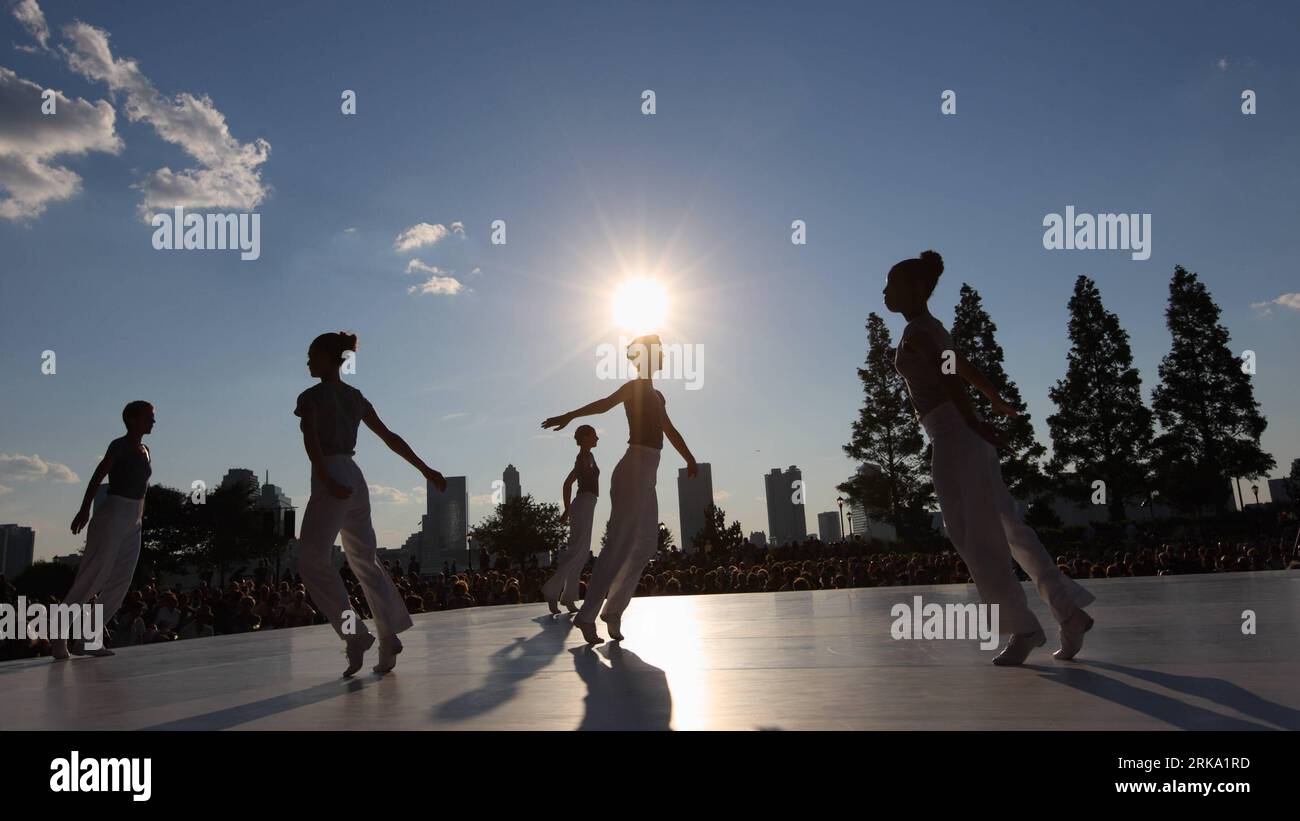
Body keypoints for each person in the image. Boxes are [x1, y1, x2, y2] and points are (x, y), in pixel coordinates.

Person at [883, 250, 1095, 665]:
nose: (884, 292)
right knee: (1007, 528)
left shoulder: (920, 332)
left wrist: (974, 420)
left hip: (954, 434)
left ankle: (1024, 627)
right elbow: (961, 367)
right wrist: (991, 399)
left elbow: (948, 378)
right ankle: (1067, 612)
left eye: (891, 283)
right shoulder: (928, 328)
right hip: (961, 432)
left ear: (915, 288)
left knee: (974, 537)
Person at [295, 331, 448, 676]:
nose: (307, 361)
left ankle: (354, 634)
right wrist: (425, 468)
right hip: (354, 476)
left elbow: (312, 443)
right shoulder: (355, 397)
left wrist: (328, 480)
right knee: (365, 560)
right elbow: (390, 437)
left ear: (328, 358)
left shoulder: (311, 397)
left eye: (312, 355)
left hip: (332, 475)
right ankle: (387, 635)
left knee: (311, 559)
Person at [542, 334, 699, 644]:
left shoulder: (658, 395)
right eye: (660, 351)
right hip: (633, 469)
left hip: (648, 472)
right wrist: (570, 415)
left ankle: (613, 610)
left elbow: (669, 429)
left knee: (645, 545)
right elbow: (603, 405)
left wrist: (690, 457)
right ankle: (587, 616)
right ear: (648, 357)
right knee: (619, 545)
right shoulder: (634, 387)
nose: (664, 355)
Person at [52, 400, 156, 660]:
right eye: (148, 417)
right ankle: (59, 633)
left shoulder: (146, 449)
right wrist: (84, 509)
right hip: (113, 514)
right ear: (132, 419)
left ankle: (89, 639)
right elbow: (98, 476)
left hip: (135, 517)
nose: (153, 421)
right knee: (94, 577)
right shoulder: (119, 445)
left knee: (121, 580)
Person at [541, 424, 601, 614]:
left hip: (587, 504)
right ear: (584, 438)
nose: (597, 438)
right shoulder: (583, 457)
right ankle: (552, 592)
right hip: (583, 503)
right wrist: (567, 509)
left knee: (581, 554)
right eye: (593, 435)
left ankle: (568, 596)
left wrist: (568, 510)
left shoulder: (588, 456)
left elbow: (568, 483)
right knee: (576, 552)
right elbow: (568, 484)